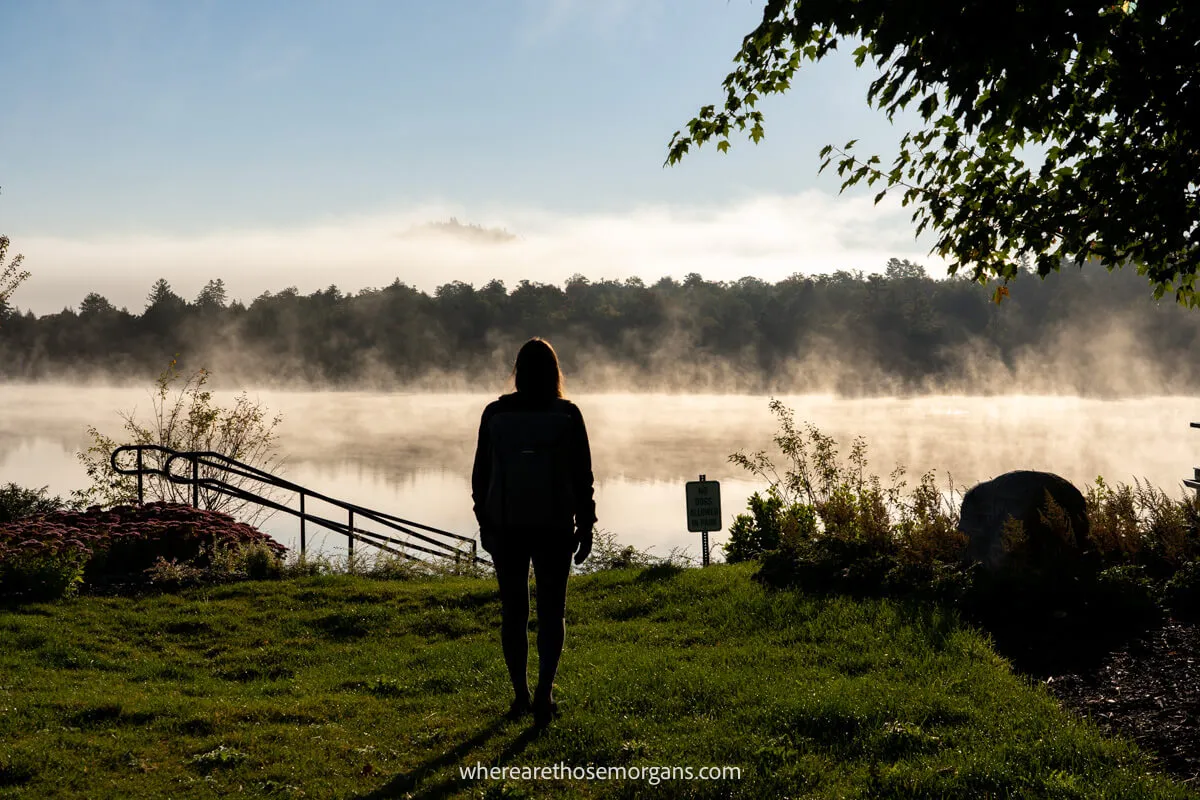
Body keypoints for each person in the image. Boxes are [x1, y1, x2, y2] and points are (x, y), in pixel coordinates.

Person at [471, 337, 596, 726]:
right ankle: (544, 693)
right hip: (555, 526)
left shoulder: (495, 414)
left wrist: (485, 522)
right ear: (555, 372)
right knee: (552, 612)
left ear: (518, 372)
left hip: (506, 527)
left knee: (514, 613)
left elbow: (480, 477)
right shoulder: (568, 414)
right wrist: (586, 524)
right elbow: (582, 477)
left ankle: (520, 695)